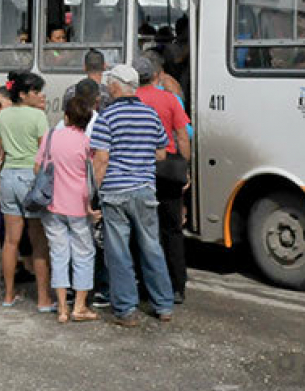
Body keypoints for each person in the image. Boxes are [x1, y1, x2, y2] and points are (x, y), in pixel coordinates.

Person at [90, 63, 174, 326]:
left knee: (119, 252)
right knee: (151, 247)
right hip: (145, 191)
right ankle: (164, 305)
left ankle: (126, 310)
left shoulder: (106, 117)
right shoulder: (150, 115)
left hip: (115, 193)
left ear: (115, 86)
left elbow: (101, 160)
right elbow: (161, 152)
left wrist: (93, 192)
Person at [35, 96, 100, 324]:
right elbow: (92, 177)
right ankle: (79, 307)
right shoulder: (87, 142)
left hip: (52, 205)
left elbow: (38, 167)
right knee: (83, 254)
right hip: (79, 207)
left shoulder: (51, 136)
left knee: (58, 254)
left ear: (66, 117)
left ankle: (62, 308)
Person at [134, 54, 192, 304]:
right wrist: (185, 168)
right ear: (157, 75)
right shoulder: (170, 99)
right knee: (172, 230)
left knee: (145, 232)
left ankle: (148, 287)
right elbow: (182, 137)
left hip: (139, 172)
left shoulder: (131, 100)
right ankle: (177, 286)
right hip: (168, 171)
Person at [0, 70, 53, 311]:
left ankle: (8, 295)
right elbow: (45, 151)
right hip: (31, 178)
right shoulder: (38, 117)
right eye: (35, 91)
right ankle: (43, 299)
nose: (39, 95)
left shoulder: (3, 116)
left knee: (10, 240)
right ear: (23, 94)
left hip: (8, 177)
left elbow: (0, 149)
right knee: (38, 241)